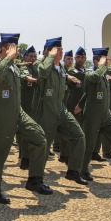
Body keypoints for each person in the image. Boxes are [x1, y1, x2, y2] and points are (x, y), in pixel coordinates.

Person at [0, 33, 53, 204]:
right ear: (2, 50)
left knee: (40, 138)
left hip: (18, 113)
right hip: (2, 116)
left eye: (15, 48)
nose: (15, 51)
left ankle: (34, 180)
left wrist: (11, 61)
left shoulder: (14, 68)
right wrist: (7, 58)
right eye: (11, 48)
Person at [34, 38, 88, 185]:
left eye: (61, 48)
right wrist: (50, 56)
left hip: (61, 109)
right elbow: (42, 72)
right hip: (46, 110)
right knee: (43, 145)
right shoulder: (42, 65)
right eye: (58, 48)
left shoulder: (61, 69)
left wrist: (69, 77)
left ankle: (73, 171)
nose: (61, 50)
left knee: (78, 136)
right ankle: (35, 179)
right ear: (50, 51)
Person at [74, 47, 111, 181]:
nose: (106, 63)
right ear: (96, 62)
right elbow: (93, 79)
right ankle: (82, 170)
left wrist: (80, 104)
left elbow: (87, 93)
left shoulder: (104, 76)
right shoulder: (91, 74)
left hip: (105, 114)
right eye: (103, 60)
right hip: (93, 113)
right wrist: (101, 67)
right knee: (89, 144)